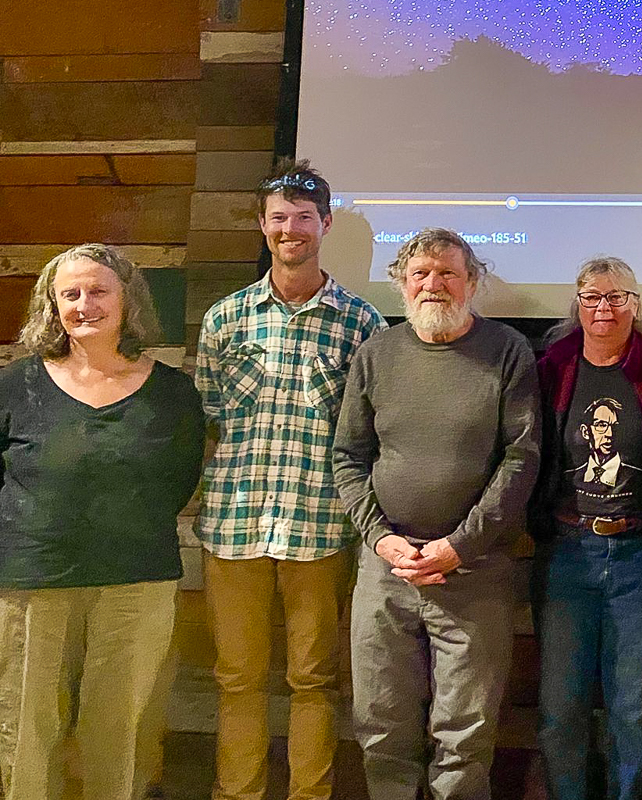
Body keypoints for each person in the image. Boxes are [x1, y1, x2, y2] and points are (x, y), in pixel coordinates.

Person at [194, 159, 386, 800]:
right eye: (279, 218)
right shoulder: (226, 320)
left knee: (314, 680)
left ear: (324, 224)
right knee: (237, 677)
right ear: (261, 225)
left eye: (304, 218)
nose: (290, 229)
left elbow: (367, 434)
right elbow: (211, 416)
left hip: (319, 526)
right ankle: (237, 792)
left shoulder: (362, 325)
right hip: (234, 524)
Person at [332, 228, 540, 800]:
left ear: (472, 283)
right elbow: (349, 457)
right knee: (380, 726)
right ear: (401, 283)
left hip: (475, 572)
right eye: (420, 273)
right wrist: (381, 540)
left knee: (465, 734)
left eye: (448, 273)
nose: (433, 284)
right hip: (385, 572)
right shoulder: (376, 354)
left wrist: (460, 546)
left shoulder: (507, 352)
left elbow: (522, 459)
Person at [0, 244, 205, 800]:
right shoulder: (15, 386)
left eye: (98, 291)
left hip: (136, 582)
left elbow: (180, 479)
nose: (84, 304)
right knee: (26, 734)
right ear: (52, 305)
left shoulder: (173, 392)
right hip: (32, 583)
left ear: (126, 301)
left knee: (121, 734)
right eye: (70, 294)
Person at [532, 256, 642, 800]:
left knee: (634, 706)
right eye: (593, 296)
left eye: (617, 296)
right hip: (567, 553)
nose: (604, 307)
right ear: (577, 304)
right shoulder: (552, 367)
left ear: (636, 306)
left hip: (639, 555)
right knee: (560, 705)